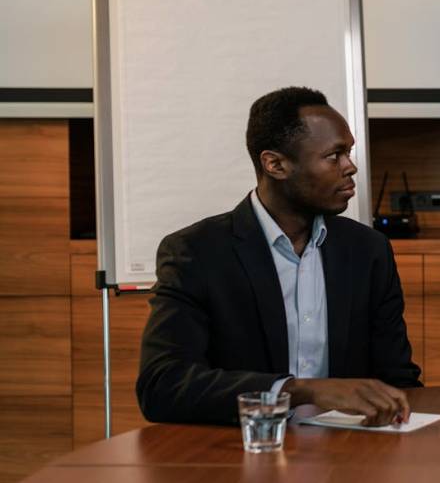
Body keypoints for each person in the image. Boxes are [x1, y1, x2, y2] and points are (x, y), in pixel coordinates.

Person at [137, 87, 421, 426]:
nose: (350, 167)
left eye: (349, 153)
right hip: (238, 458)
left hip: (350, 458)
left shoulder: (367, 251)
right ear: (275, 164)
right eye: (335, 156)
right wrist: (301, 390)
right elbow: (163, 385)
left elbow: (398, 379)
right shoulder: (197, 252)